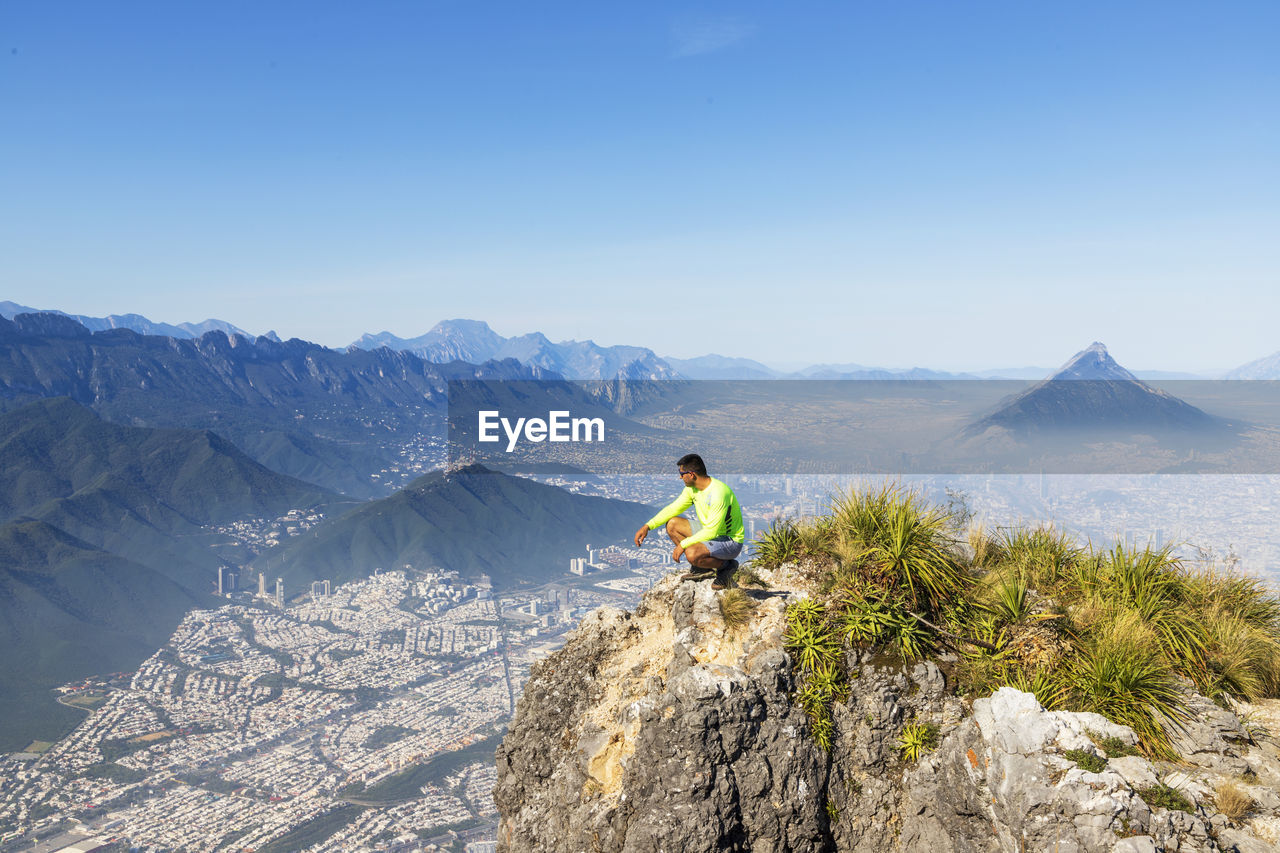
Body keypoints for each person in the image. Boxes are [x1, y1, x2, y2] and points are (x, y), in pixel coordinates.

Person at [633, 453, 745, 590]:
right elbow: (673, 508)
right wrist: (648, 526)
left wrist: (683, 545)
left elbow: (712, 531)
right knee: (672, 524)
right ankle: (702, 568)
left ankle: (726, 568)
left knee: (691, 553)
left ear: (691, 474)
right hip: (711, 533)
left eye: (682, 473)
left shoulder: (718, 493)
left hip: (729, 540)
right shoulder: (692, 489)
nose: (680, 477)